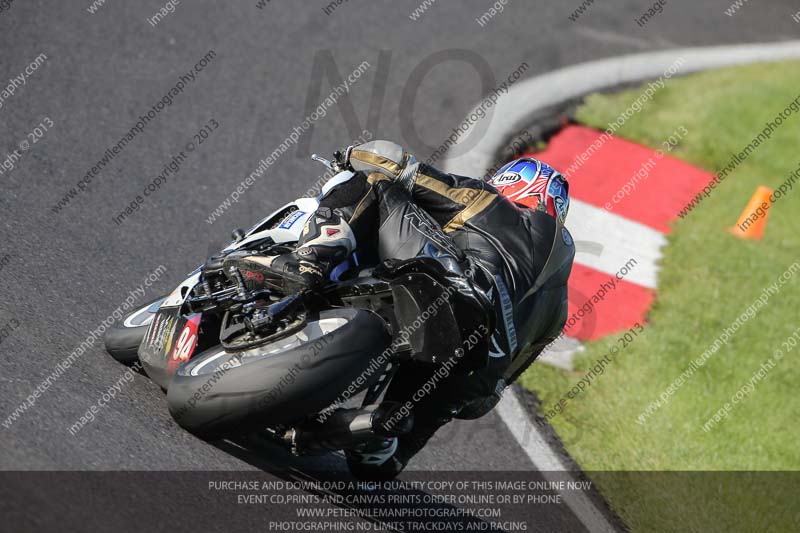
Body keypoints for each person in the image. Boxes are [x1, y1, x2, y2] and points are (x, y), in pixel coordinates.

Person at [223, 140, 575, 479]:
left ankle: (308, 261)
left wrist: (351, 156)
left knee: (374, 182)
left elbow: (395, 164)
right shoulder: (558, 307)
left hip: (451, 288)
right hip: (475, 369)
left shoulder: (489, 202)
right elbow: (484, 401)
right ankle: (373, 432)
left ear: (513, 187)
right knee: (382, 463)